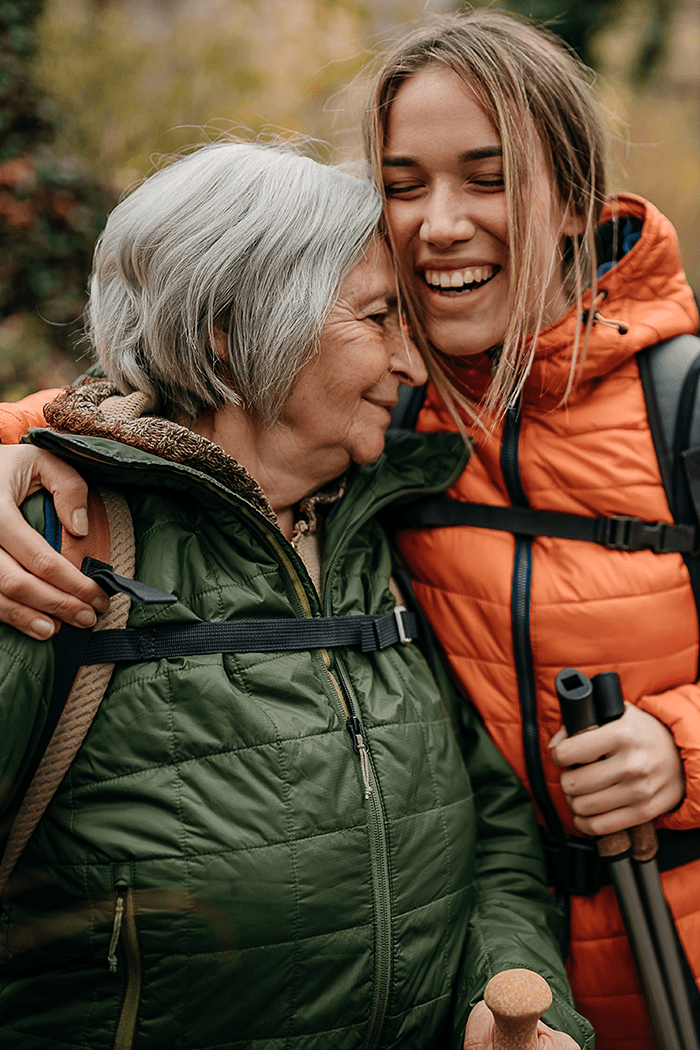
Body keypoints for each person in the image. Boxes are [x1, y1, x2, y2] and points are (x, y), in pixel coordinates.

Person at [0, 8, 698, 1048]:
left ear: (572, 195)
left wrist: (683, 745)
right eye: (403, 187)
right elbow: (159, 393)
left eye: (488, 175)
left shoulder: (679, 405)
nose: (438, 224)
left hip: (670, 959)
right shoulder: (370, 432)